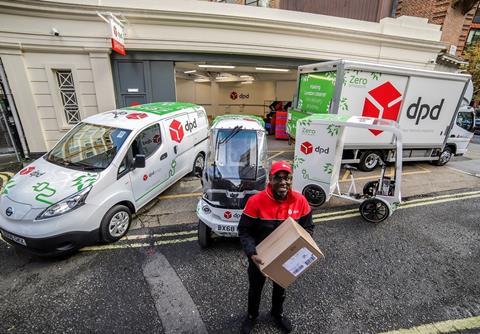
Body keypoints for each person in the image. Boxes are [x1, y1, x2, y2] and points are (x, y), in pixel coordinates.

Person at [238, 160, 314, 334]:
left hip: (287, 257)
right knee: (255, 289)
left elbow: (308, 228)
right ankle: (251, 316)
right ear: (269, 180)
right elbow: (244, 231)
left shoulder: (300, 201)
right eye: (278, 177)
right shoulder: (256, 201)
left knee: (281, 288)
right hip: (260, 257)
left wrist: (300, 248)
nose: (283, 182)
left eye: (287, 178)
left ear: (291, 180)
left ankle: (277, 314)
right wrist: (252, 254)